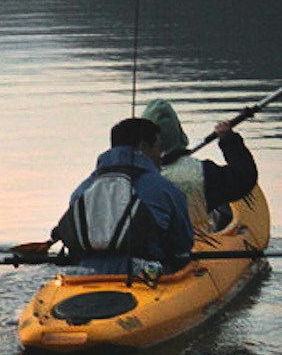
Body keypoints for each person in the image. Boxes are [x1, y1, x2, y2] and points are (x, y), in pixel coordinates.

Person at [49, 116, 196, 275]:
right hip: (145, 277)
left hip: (85, 274)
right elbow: (182, 246)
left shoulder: (81, 191)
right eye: (158, 148)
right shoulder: (166, 190)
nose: (160, 156)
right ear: (144, 147)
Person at [137, 95, 260, 237]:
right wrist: (229, 139)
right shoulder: (205, 173)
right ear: (179, 133)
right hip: (198, 245)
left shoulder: (130, 175)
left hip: (151, 249)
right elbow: (245, 176)